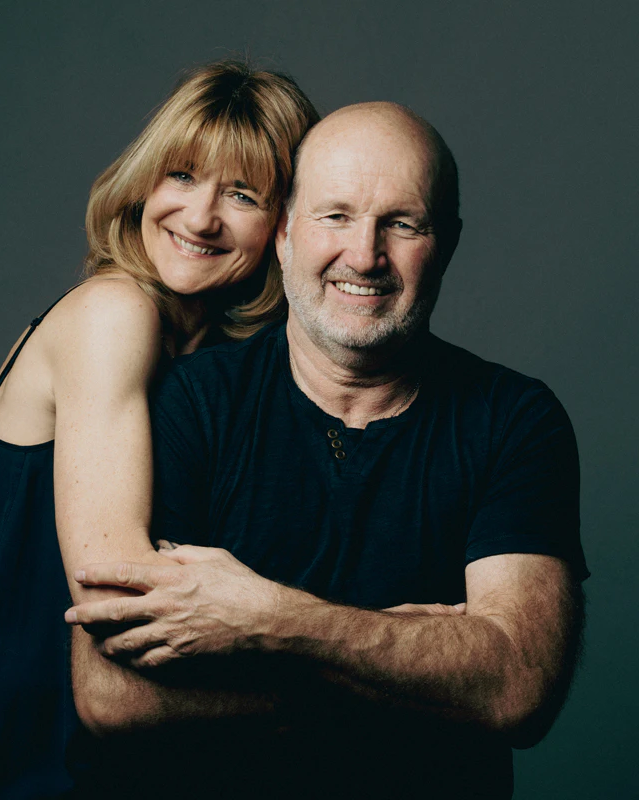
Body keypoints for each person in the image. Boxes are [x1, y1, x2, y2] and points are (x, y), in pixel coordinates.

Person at [65, 103, 588, 798]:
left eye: (403, 224)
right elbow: (113, 692)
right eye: (335, 216)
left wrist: (270, 622)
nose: (365, 256)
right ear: (284, 233)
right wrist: (401, 665)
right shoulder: (188, 402)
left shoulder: (515, 420)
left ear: (448, 244)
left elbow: (517, 685)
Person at [0, 61, 319, 799]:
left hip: (94, 769)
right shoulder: (114, 313)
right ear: (144, 183)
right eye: (181, 175)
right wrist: (348, 661)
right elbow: (122, 601)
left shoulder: (220, 367)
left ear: (286, 224)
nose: (200, 217)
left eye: (242, 194)